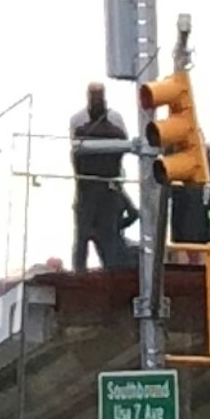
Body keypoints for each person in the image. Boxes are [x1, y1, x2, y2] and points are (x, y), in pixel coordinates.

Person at [69, 88, 134, 282]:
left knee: (81, 238)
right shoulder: (117, 133)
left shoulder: (80, 130)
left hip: (86, 187)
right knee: (109, 237)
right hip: (110, 188)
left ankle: (79, 274)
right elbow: (121, 156)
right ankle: (112, 275)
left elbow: (76, 160)